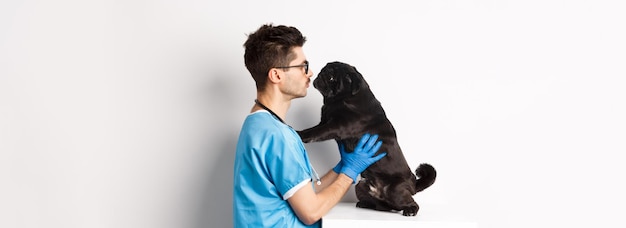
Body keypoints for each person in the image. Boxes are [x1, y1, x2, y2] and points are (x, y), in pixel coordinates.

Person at [233, 24, 387, 227]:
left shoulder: (256, 125)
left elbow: (304, 194)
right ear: (276, 75)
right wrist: (350, 172)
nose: (310, 73)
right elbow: (311, 211)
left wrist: (342, 167)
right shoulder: (278, 136)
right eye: (302, 66)